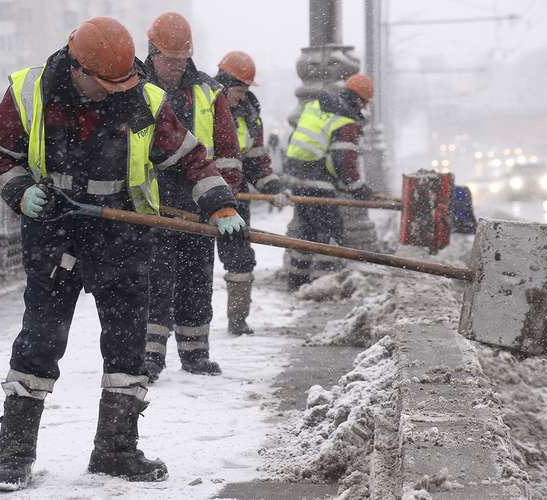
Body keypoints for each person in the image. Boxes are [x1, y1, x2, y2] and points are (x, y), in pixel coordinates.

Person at [0, 16, 242, 490]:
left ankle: (116, 449)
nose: (113, 93)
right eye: (104, 84)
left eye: (122, 83)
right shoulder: (30, 91)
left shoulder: (142, 98)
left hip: (122, 232)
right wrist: (19, 192)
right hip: (53, 230)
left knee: (126, 342)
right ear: (77, 68)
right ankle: (14, 454)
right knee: (40, 339)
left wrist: (220, 204)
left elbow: (190, 158)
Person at [141, 12, 246, 382]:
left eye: (180, 60)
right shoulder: (135, 89)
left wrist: (223, 202)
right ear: (152, 53)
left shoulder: (208, 92)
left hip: (199, 204)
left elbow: (228, 153)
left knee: (196, 281)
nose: (174, 67)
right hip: (150, 206)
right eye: (168, 59)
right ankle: (149, 356)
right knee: (153, 281)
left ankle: (195, 354)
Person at [214, 50, 288, 335]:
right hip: (198, 196)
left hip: (235, 199)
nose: (242, 95)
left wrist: (273, 187)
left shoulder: (249, 115)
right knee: (190, 266)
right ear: (224, 83)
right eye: (238, 89)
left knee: (241, 258)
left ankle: (237, 318)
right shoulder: (205, 106)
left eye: (245, 90)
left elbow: (256, 160)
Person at [284, 74, 376, 291]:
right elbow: (343, 160)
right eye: (364, 103)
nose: (363, 109)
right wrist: (357, 188)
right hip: (319, 182)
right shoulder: (345, 120)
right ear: (359, 100)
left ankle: (297, 282)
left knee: (305, 236)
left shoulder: (318, 106)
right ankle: (323, 287)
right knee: (330, 233)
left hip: (298, 178)